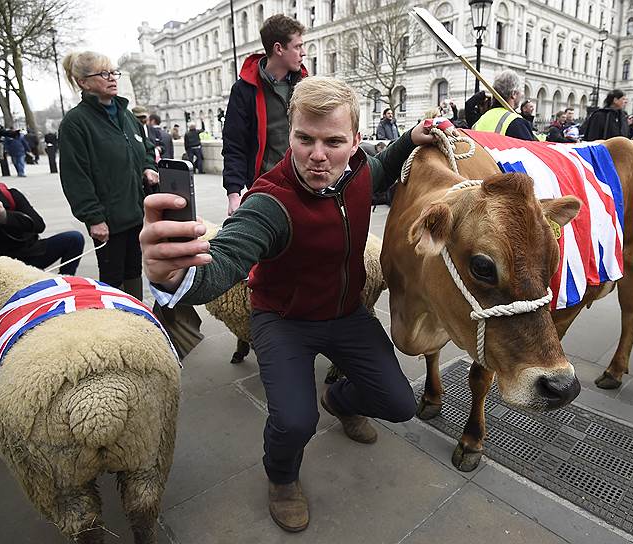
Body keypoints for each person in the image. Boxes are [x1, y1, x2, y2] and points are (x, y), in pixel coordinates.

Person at [140, 77, 439, 533]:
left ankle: (339, 399)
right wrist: (177, 274)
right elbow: (225, 260)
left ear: (354, 142)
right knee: (295, 422)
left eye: (334, 141)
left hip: (344, 313)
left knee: (399, 404)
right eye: (305, 139)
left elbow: (380, 167)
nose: (318, 155)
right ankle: (282, 478)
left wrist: (410, 138)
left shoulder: (357, 171)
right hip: (284, 320)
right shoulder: (269, 202)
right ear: (291, 135)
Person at [58, 51, 158, 301]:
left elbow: (145, 147)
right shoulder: (76, 122)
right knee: (113, 277)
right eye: (104, 74)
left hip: (137, 212)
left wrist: (149, 167)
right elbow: (75, 176)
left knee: (135, 270)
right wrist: (93, 218)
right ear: (84, 82)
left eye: (113, 72)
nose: (112, 78)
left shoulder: (126, 114)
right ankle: (116, 323)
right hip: (109, 221)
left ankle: (135, 316)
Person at [223, 14, 307, 216]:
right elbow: (234, 143)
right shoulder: (244, 89)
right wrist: (234, 193)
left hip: (305, 185)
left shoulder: (306, 85)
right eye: (297, 47)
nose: (303, 53)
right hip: (265, 188)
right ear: (279, 49)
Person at [473, 70, 537, 140]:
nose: (522, 95)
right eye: (520, 92)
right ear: (514, 94)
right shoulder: (517, 123)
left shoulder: (481, 119)